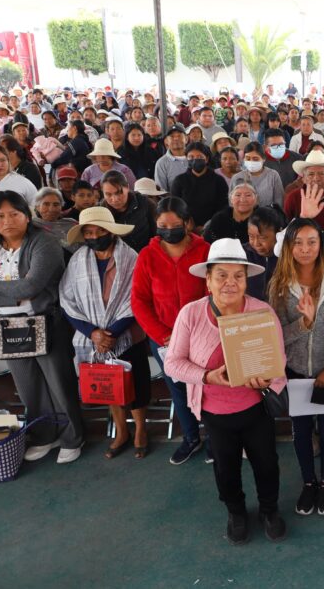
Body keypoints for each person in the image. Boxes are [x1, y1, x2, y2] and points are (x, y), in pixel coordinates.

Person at [165, 238, 287, 545]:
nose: (230, 283)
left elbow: (279, 359)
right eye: (221, 275)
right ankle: (236, 512)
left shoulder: (262, 312)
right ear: (208, 280)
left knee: (266, 463)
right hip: (215, 413)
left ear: (246, 280)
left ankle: (269, 510)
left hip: (255, 409)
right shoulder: (191, 315)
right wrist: (207, 377)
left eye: (238, 276)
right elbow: (173, 363)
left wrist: (267, 379)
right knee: (225, 467)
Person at [0, 190, 84, 463]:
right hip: (5, 326)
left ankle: (72, 437)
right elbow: (21, 289)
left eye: (14, 214)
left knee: (58, 384)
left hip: (44, 321)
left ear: (27, 215)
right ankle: (44, 436)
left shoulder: (44, 242)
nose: (7, 221)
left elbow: (31, 286)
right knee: (28, 386)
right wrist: (13, 294)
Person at [268, 218, 324, 516]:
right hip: (295, 372)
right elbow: (276, 336)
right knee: (301, 432)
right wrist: (305, 323)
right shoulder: (278, 285)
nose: (305, 249)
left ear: (321, 245)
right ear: (289, 246)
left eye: (312, 242)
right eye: (298, 242)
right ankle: (308, 482)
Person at [60, 207, 152, 459]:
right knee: (109, 385)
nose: (94, 236)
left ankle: (140, 430)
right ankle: (121, 431)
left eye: (99, 231)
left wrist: (110, 333)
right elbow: (67, 299)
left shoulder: (131, 258)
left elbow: (137, 298)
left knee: (137, 384)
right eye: (88, 232)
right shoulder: (77, 260)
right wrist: (93, 333)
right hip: (93, 337)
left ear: (111, 231)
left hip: (127, 334)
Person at [130, 196, 211, 465]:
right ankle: (191, 438)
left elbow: (212, 293)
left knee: (208, 387)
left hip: (201, 336)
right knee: (178, 389)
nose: (167, 231)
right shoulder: (147, 255)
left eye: (174, 225)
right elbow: (139, 300)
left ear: (187, 223)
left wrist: (195, 333)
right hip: (163, 339)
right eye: (162, 226)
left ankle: (214, 438)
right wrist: (162, 335)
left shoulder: (205, 251)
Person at [169, 142, 230, 228]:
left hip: (214, 226)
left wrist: (210, 224)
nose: (195, 160)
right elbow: (174, 206)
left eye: (199, 157)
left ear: (207, 159)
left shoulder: (218, 180)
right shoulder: (179, 180)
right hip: (186, 227)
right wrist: (187, 223)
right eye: (191, 157)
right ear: (186, 158)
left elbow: (223, 206)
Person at [283, 150, 324, 229]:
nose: (316, 178)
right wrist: (303, 218)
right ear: (303, 178)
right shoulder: (293, 198)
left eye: (321, 174)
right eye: (311, 174)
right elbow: (285, 230)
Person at [100, 171, 156, 252]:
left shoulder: (144, 203)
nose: (115, 199)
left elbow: (156, 233)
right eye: (108, 194)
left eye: (119, 193)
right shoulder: (101, 212)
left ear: (127, 187)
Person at [230, 142, 285, 209]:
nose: (251, 161)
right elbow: (232, 204)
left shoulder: (273, 175)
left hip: (268, 214)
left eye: (255, 159)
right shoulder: (237, 178)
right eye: (248, 158)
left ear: (263, 159)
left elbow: (279, 201)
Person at [33, 187, 78, 252]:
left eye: (56, 204)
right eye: (46, 204)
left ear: (61, 207)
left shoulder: (71, 224)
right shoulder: (32, 226)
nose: (51, 209)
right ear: (38, 207)